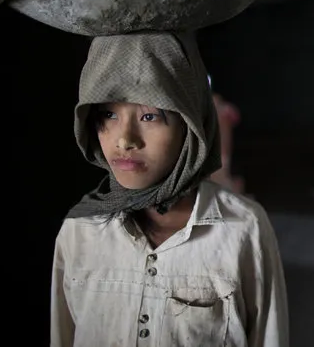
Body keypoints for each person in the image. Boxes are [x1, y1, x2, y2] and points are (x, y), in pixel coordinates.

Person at [51, 31, 289, 346]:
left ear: (190, 125)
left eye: (150, 116)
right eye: (108, 114)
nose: (125, 140)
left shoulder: (244, 228)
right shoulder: (79, 231)